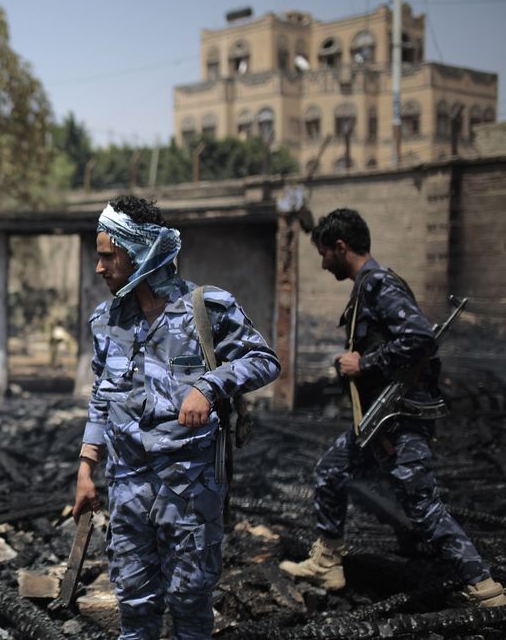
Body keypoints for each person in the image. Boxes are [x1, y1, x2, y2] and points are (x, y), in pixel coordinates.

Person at [72, 195, 280, 640]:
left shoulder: (207, 308)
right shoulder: (105, 320)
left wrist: (209, 385)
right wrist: (86, 467)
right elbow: (101, 394)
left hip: (189, 490)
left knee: (189, 605)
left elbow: (264, 360)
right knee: (135, 604)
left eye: (108, 255)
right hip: (127, 487)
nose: (99, 267)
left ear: (141, 251)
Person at [279, 208, 505, 607]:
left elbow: (420, 338)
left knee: (421, 505)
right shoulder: (367, 286)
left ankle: (483, 585)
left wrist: (363, 363)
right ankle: (328, 561)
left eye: (323, 254)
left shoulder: (379, 285)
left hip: (399, 420)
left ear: (340, 247)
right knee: (332, 471)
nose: (322, 263)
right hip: (379, 421)